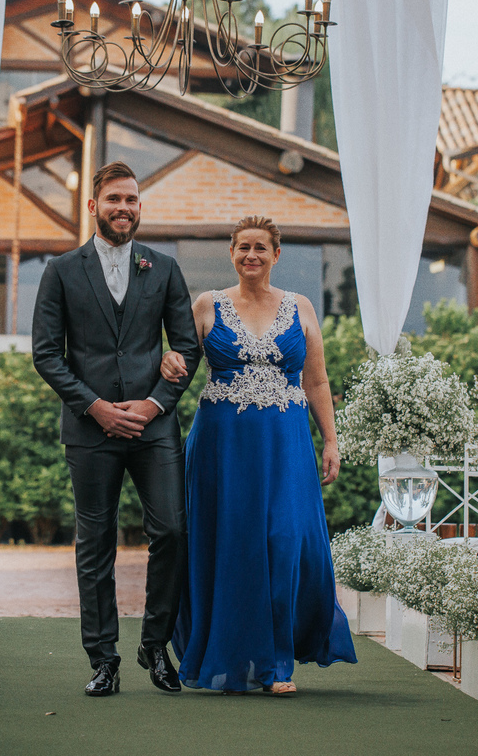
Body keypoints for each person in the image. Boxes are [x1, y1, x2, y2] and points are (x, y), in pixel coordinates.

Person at [160, 216, 356, 694]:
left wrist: (331, 439)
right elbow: (178, 364)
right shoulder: (207, 305)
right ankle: (241, 658)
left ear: (276, 255)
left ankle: (277, 662)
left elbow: (317, 380)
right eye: (243, 246)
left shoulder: (301, 307)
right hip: (222, 448)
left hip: (286, 444)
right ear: (232, 252)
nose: (252, 254)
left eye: (261, 248)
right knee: (233, 544)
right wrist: (164, 360)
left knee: (285, 540)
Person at [32, 161, 201, 697]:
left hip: (154, 429)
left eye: (131, 200)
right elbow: (46, 355)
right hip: (91, 429)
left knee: (173, 531)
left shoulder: (165, 268)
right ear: (93, 207)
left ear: (139, 207)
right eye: (113, 200)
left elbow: (187, 347)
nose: (123, 208)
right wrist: (96, 407)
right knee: (96, 542)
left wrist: (154, 404)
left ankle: (155, 645)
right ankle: (103, 658)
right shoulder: (61, 270)